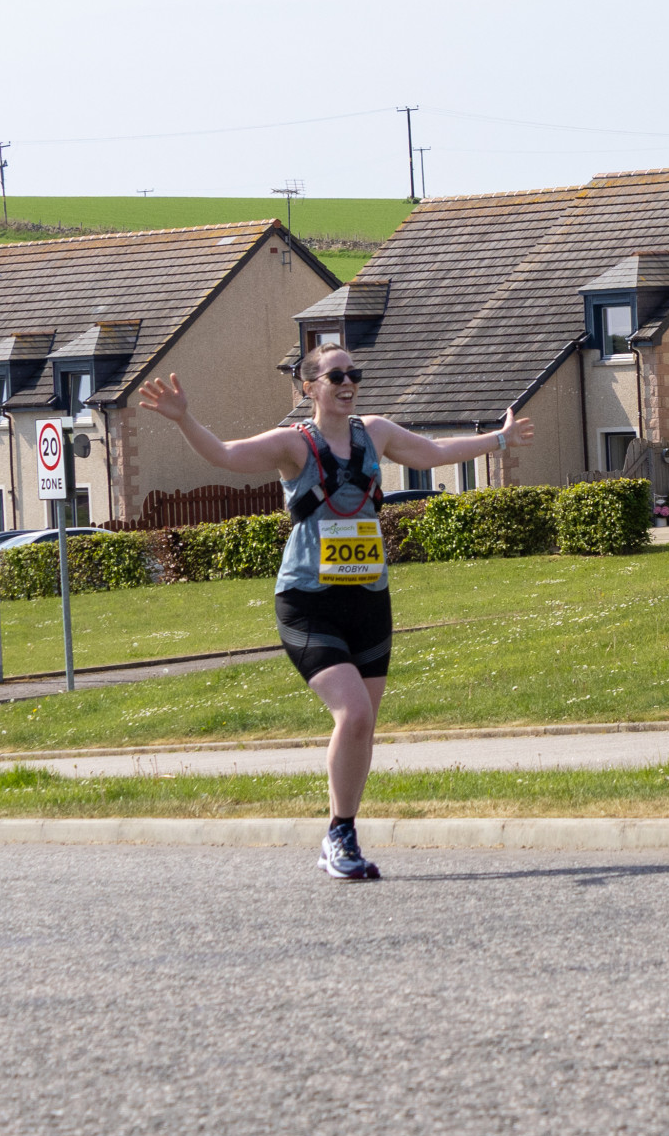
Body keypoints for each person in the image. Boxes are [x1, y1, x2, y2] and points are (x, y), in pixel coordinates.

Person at [137, 342, 532, 878]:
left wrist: (501, 438)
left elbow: (434, 452)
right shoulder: (294, 445)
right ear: (309, 388)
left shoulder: (377, 434)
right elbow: (227, 455)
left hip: (368, 599)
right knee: (355, 714)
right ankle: (340, 835)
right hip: (308, 602)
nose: (348, 383)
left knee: (364, 726)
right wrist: (185, 419)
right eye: (336, 376)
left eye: (354, 374)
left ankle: (341, 832)